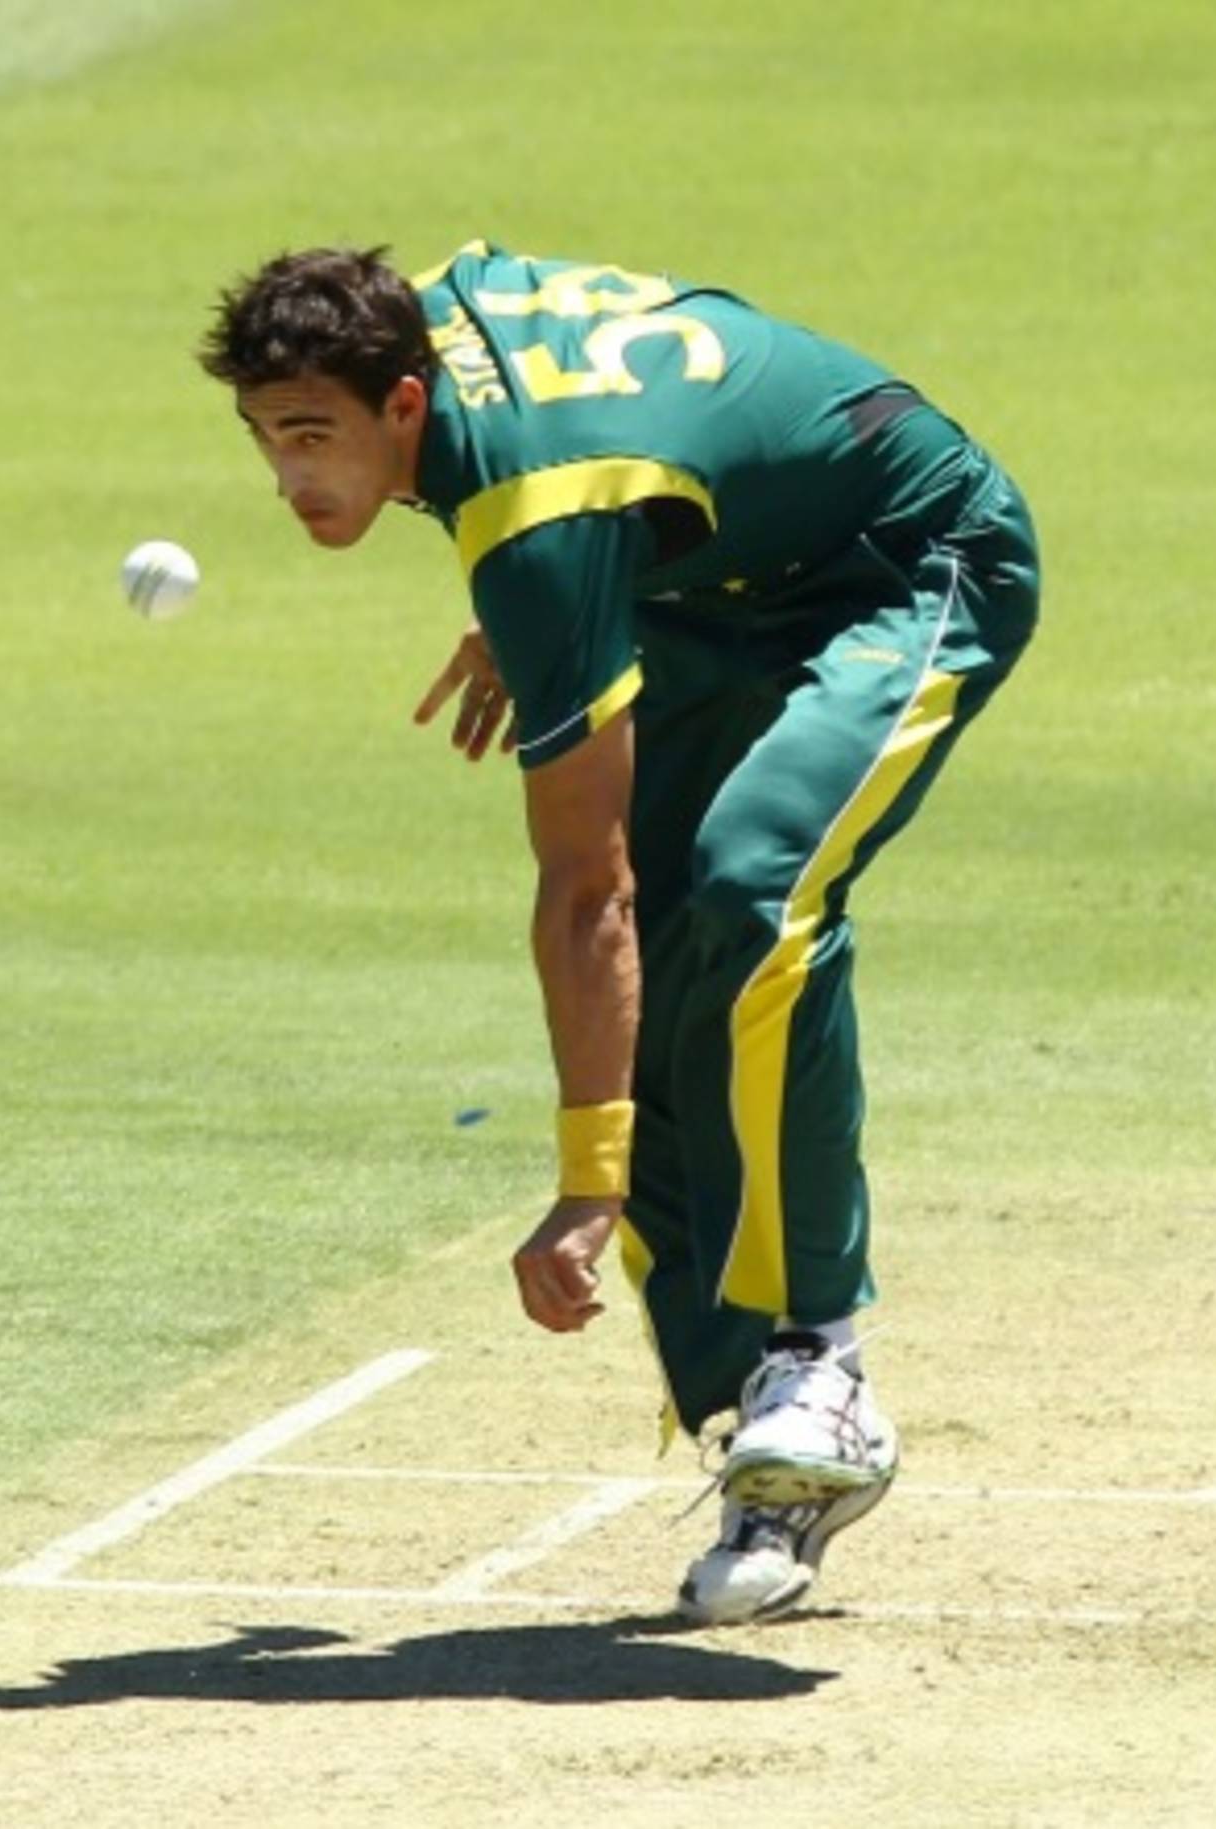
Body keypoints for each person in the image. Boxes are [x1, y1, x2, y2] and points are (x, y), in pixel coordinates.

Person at [199, 241, 1039, 1625]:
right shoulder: (435, 345)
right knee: (647, 1014)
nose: (289, 477)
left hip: (912, 557)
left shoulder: (537, 518)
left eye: (313, 436)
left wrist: (588, 1185)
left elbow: (584, 889)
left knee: (750, 894)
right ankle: (770, 1457)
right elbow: (558, 352)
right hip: (707, 584)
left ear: (404, 405)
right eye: (266, 438)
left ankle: (819, 1354)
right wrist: (547, 597)